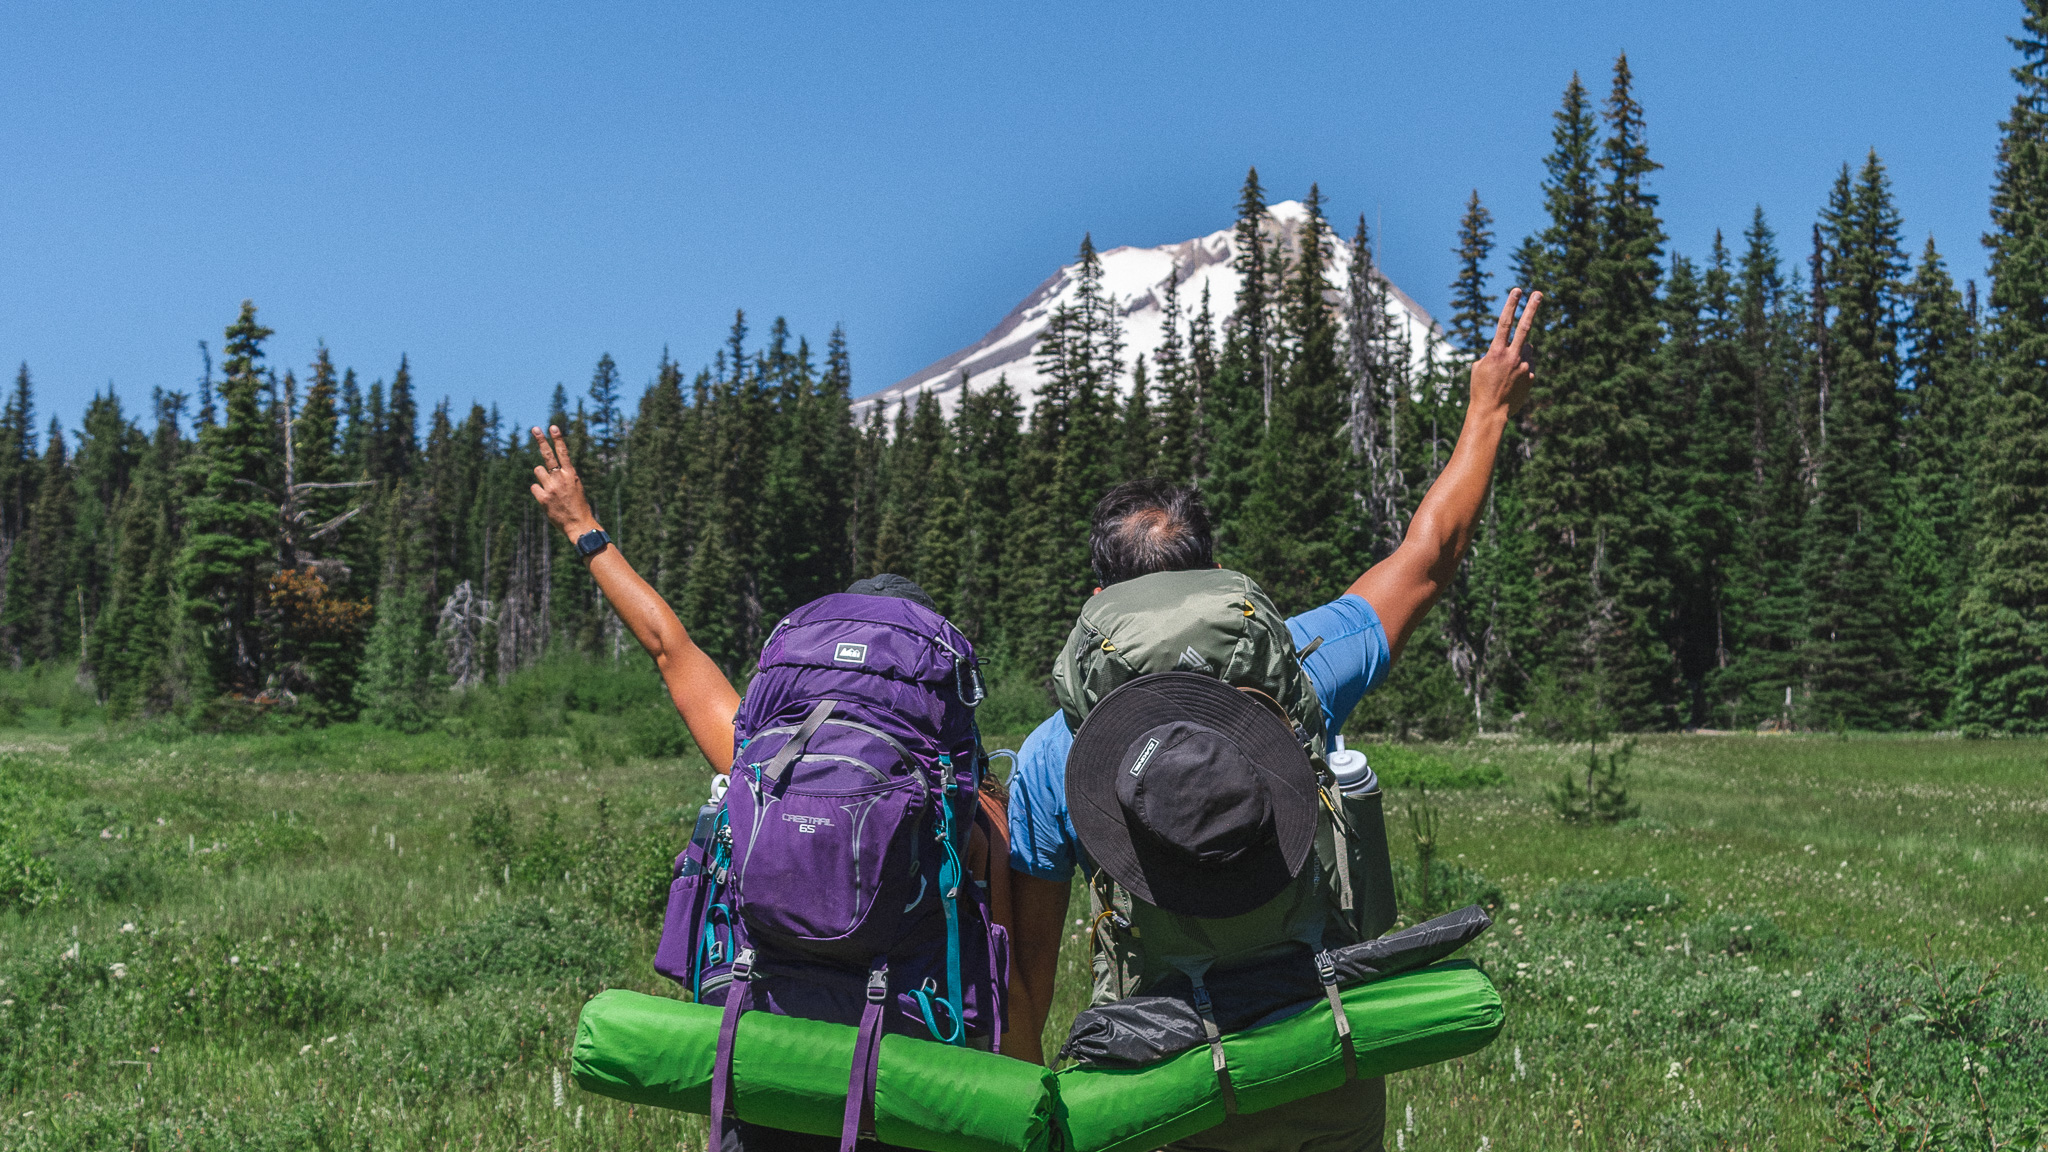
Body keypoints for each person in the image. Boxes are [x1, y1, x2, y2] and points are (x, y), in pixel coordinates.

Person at [1004, 287, 1542, 1148]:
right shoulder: (1299, 664)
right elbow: (1427, 559)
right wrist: (1487, 408)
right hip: (1318, 1048)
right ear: (1216, 576)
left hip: (1161, 1079)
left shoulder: (1055, 750)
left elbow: (1024, 979)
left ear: (1099, 598)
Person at [525, 429, 1021, 1150]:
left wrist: (584, 528)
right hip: (906, 1088)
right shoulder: (972, 812)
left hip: (760, 1069)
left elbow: (670, 646)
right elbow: (1009, 995)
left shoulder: (762, 761)